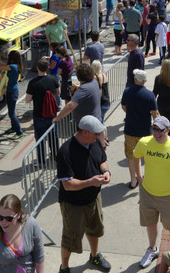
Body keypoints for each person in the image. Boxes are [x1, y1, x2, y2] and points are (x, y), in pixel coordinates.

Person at [134, 116, 170, 268]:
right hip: (147, 193)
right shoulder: (144, 143)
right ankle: (152, 249)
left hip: (169, 196)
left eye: (160, 130)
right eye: (154, 129)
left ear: (168, 130)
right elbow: (136, 157)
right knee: (150, 223)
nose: (156, 133)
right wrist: (140, 179)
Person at [56, 116, 112, 273]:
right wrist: (90, 182)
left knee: (95, 230)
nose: (98, 136)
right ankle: (64, 268)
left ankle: (94, 256)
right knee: (70, 239)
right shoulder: (65, 152)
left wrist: (106, 171)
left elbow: (102, 160)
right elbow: (67, 185)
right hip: (74, 204)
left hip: (94, 198)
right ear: (85, 132)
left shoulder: (94, 143)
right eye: (95, 133)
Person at [0, 194, 45, 273]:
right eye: (0, 217)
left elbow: (39, 255)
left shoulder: (31, 225)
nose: (4, 222)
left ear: (18, 215)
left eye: (9, 218)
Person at [121, 69, 159, 189]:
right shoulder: (150, 95)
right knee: (147, 157)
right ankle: (146, 178)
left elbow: (123, 106)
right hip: (145, 132)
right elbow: (155, 114)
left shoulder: (127, 92)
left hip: (130, 130)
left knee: (131, 157)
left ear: (135, 79)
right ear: (145, 81)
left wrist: (131, 113)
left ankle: (133, 181)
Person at [53, 63, 102, 129]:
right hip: (94, 121)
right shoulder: (94, 81)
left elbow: (70, 105)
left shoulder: (84, 89)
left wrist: (58, 117)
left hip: (87, 126)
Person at [0, 50, 24, 138]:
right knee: (11, 111)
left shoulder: (12, 66)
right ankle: (13, 128)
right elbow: (2, 64)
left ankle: (19, 132)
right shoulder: (15, 65)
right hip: (12, 91)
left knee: (11, 113)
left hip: (12, 92)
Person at [91, 60, 110, 133]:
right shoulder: (103, 75)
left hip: (101, 104)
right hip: (106, 102)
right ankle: (105, 139)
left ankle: (103, 141)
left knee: (100, 124)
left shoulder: (95, 78)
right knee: (102, 121)